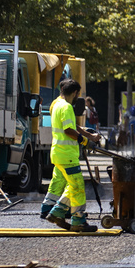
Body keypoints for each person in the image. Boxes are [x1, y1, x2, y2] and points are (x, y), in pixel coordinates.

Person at [40, 79, 103, 232]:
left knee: (71, 185)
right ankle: (78, 221)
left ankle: (55, 212)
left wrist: (88, 136)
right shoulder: (67, 107)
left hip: (58, 154)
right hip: (67, 155)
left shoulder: (57, 104)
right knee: (78, 187)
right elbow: (68, 130)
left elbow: (70, 126)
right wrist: (84, 141)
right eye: (77, 94)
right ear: (74, 93)